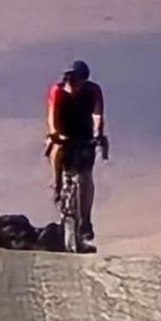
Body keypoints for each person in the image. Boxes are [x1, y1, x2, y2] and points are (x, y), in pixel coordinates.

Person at [46, 60, 107, 249]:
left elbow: (97, 114)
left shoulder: (93, 91)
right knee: (55, 147)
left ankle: (86, 220)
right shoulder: (57, 91)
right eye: (69, 78)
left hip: (84, 135)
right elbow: (52, 116)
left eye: (75, 78)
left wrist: (98, 133)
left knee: (86, 176)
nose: (71, 81)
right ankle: (57, 183)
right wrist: (56, 133)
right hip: (64, 133)